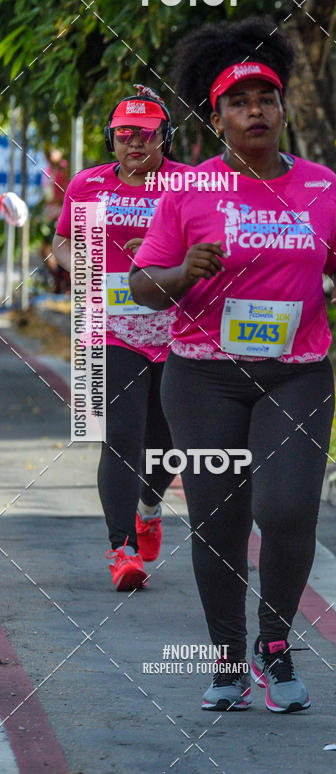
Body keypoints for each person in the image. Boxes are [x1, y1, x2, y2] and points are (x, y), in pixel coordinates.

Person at [130, 18, 336, 713]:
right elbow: (145, 286)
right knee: (220, 516)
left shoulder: (321, 187)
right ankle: (229, 661)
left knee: (288, 507)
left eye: (266, 98)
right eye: (239, 102)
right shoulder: (187, 192)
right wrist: (182, 271)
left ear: (283, 107)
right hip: (202, 376)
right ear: (217, 118)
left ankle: (275, 642)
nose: (255, 111)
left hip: (296, 373)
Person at [53, 85, 191, 590]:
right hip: (109, 329)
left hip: (179, 330)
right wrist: (80, 269)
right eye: (124, 135)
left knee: (168, 442)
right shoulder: (88, 185)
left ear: (166, 139)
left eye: (147, 135)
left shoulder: (191, 185)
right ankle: (121, 550)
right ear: (111, 139)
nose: (135, 144)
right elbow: (63, 242)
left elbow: (214, 245)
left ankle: (150, 505)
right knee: (120, 439)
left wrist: (166, 255)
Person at [40, 148, 70, 293]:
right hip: (50, 214)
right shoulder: (48, 169)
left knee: (58, 247)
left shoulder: (64, 167)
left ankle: (65, 283)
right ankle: (58, 281)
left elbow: (66, 192)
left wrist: (58, 208)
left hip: (60, 214)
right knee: (45, 249)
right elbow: (47, 193)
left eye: (54, 150)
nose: (51, 154)